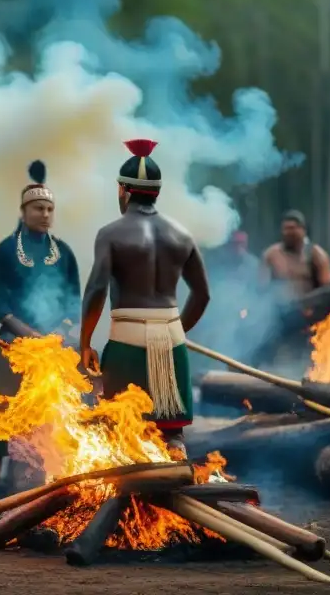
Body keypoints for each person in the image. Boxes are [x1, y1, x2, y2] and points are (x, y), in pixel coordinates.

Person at [79, 139, 210, 457]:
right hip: (171, 341)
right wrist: (176, 333)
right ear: (158, 191)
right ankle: (169, 492)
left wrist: (85, 343)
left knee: (121, 430)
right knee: (171, 436)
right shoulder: (181, 234)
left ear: (123, 190)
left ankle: (128, 503)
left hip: (127, 343)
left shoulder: (111, 233)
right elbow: (202, 294)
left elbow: (97, 290)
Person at [0, 159, 80, 483]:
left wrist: (62, 330)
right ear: (23, 211)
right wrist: (25, 332)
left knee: (51, 411)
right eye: (38, 208)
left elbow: (74, 298)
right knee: (3, 405)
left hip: (53, 345)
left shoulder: (64, 252)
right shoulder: (6, 250)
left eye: (49, 209)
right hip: (13, 342)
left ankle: (45, 471)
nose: (45, 214)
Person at [260, 210, 330, 297]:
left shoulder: (317, 255)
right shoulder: (271, 255)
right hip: (278, 307)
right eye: (286, 229)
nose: (289, 233)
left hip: (310, 306)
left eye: (293, 228)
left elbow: (327, 288)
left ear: (303, 230)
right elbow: (261, 287)